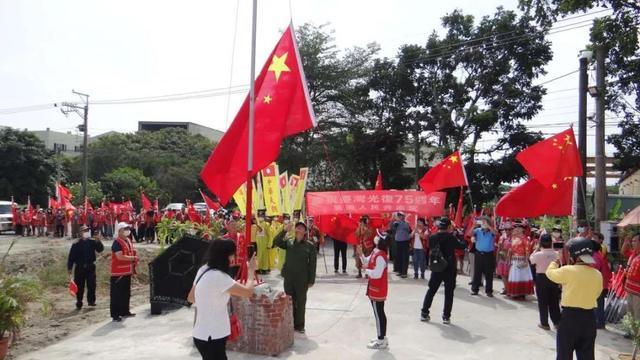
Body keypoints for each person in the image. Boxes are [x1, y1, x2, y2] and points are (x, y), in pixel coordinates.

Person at [187, 239, 256, 360]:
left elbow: (191, 298)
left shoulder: (203, 269)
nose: (233, 258)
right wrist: (251, 272)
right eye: (232, 254)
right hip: (213, 335)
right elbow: (248, 292)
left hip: (200, 334)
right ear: (224, 256)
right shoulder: (219, 277)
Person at [546, 238, 603, 360]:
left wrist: (556, 261)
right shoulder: (597, 274)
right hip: (589, 318)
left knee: (564, 354)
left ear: (574, 256)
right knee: (587, 355)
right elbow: (597, 294)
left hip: (570, 318)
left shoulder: (568, 270)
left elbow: (550, 273)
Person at [272, 221, 317, 333]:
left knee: (301, 302)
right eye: (297, 227)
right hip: (289, 277)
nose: (299, 229)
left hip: (302, 278)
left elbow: (312, 264)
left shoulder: (309, 246)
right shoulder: (289, 242)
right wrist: (284, 230)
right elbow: (276, 242)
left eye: (301, 228)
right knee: (289, 300)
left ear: (305, 231)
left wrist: (311, 280)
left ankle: (299, 325)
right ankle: (290, 323)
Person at [420, 217, 467, 324]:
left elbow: (430, 247)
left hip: (436, 267)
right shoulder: (451, 238)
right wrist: (460, 235)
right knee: (449, 293)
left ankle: (424, 313)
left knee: (431, 290)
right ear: (449, 227)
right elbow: (462, 246)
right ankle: (446, 316)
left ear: (439, 226)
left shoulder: (432, 237)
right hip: (449, 268)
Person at [356, 234, 389, 350]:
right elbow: (367, 261)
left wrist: (366, 270)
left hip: (378, 290)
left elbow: (377, 274)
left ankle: (381, 340)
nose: (376, 237)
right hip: (374, 288)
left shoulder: (381, 256)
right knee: (378, 314)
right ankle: (382, 337)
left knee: (379, 315)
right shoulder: (375, 251)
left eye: (378, 237)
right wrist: (360, 255)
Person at [67, 225, 104, 309]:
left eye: (87, 230)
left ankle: (91, 302)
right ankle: (79, 301)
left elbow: (100, 249)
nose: (86, 232)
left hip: (90, 267)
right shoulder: (76, 243)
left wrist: (98, 241)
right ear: (80, 233)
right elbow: (71, 257)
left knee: (91, 285)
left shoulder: (92, 241)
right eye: (84, 231)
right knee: (79, 286)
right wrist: (69, 268)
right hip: (79, 268)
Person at [529, 234, 561, 330]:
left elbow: (531, 260)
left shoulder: (538, 254)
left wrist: (536, 249)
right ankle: (557, 322)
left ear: (540, 243)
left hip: (542, 278)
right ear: (551, 243)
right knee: (554, 301)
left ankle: (544, 323)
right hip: (554, 277)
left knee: (542, 302)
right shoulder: (556, 254)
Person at [110, 222, 139, 322]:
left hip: (127, 272)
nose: (128, 230)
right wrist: (133, 258)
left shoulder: (128, 240)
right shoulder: (117, 242)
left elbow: (131, 251)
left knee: (126, 293)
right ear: (120, 231)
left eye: (128, 228)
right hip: (118, 273)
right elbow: (119, 256)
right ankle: (115, 314)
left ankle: (125, 311)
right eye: (125, 229)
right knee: (116, 295)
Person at [505, 223, 534, 299]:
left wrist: (526, 261)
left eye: (519, 228)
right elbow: (511, 250)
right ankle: (515, 293)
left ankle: (521, 294)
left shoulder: (525, 239)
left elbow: (527, 251)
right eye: (516, 227)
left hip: (522, 260)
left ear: (522, 230)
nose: (516, 229)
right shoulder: (514, 238)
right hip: (514, 260)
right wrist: (508, 259)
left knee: (522, 277)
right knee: (515, 277)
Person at [471, 217, 497, 297]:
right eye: (482, 222)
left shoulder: (491, 231)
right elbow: (470, 233)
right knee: (477, 272)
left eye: (484, 222)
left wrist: (488, 225)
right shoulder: (478, 230)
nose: (483, 223)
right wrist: (474, 225)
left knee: (488, 273)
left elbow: (495, 233)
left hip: (488, 254)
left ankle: (489, 291)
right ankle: (475, 290)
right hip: (478, 253)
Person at [590, 238, 611, 329]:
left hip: (598, 284)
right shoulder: (599, 255)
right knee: (599, 304)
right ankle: (600, 322)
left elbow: (593, 270)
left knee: (597, 304)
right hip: (602, 283)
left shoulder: (595, 257)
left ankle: (599, 322)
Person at [624, 234, 640, 326]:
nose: (632, 243)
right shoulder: (634, 254)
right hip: (629, 289)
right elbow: (624, 251)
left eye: (635, 241)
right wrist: (626, 242)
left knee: (637, 313)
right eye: (632, 241)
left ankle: (637, 335)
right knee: (630, 312)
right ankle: (631, 331)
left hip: (637, 292)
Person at [392, 212, 411, 278]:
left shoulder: (406, 223)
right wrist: (396, 221)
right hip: (398, 242)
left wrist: (401, 222)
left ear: (403, 216)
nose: (400, 217)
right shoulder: (396, 223)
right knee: (398, 257)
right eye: (399, 216)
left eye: (401, 216)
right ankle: (400, 271)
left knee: (405, 257)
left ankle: (404, 273)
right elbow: (394, 227)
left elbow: (407, 229)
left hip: (405, 242)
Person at [497, 222, 513, 294]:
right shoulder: (502, 237)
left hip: (510, 258)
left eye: (509, 229)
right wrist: (497, 258)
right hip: (502, 257)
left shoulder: (514, 238)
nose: (507, 231)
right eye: (506, 229)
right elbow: (499, 248)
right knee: (502, 274)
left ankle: (509, 289)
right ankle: (506, 289)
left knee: (509, 275)